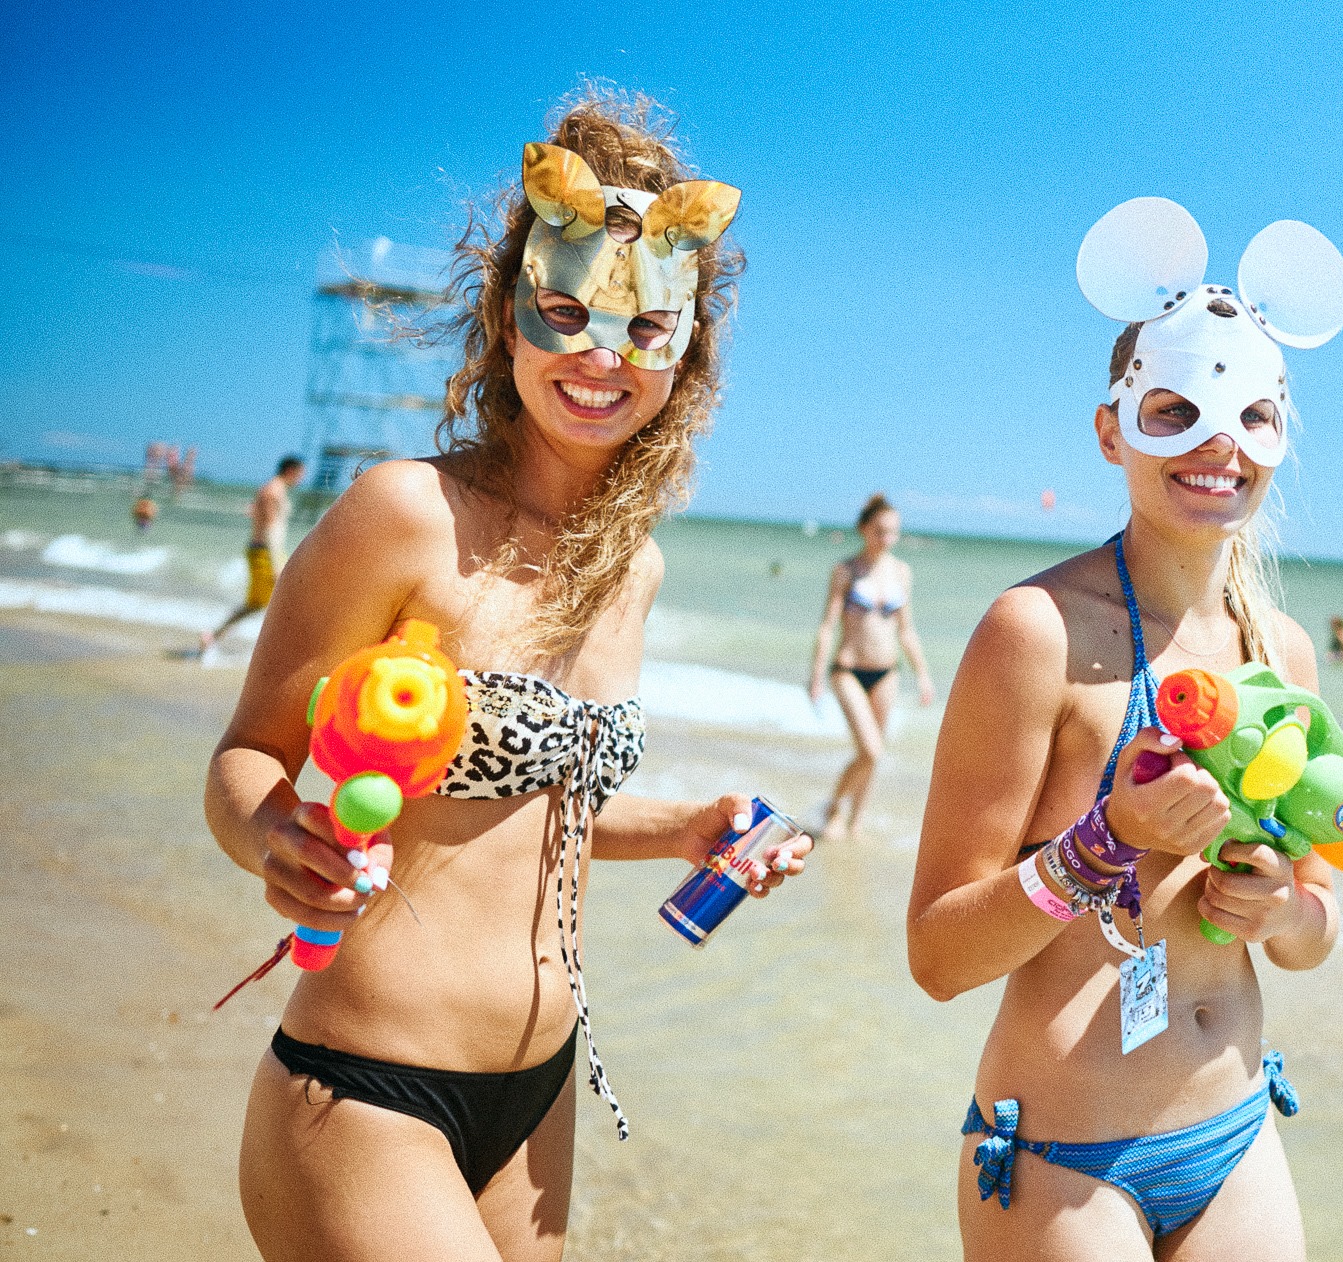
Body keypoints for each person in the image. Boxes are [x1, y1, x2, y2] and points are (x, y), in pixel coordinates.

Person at [204, 91, 808, 1261]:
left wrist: (689, 824)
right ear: (508, 315)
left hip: (538, 1098)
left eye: (642, 326)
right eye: (567, 310)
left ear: (686, 349)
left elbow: (537, 809)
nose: (599, 354)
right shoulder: (405, 514)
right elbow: (248, 755)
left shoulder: (632, 567)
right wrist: (271, 835)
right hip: (365, 1090)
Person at [908, 198, 1343, 1260]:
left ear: (1279, 434)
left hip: (1236, 1131)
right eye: (1175, 413)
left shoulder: (1279, 650)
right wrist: (1101, 841)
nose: (1218, 446)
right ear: (1111, 428)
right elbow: (934, 952)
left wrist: (1279, 906)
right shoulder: (1036, 632)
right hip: (1066, 1156)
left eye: (1252, 418)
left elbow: (1318, 927)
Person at [808, 493, 935, 842]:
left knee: (872, 756)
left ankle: (855, 822)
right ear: (864, 529)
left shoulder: (902, 572)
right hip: (848, 670)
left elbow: (906, 630)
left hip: (887, 672)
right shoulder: (846, 571)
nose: (887, 539)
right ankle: (833, 807)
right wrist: (816, 675)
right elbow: (827, 625)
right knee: (870, 749)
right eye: (880, 531)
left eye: (893, 532)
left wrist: (923, 675)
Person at [199, 456, 304, 652]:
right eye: (300, 473)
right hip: (265, 553)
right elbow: (271, 528)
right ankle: (214, 636)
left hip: (268, 551)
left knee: (266, 603)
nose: (301, 478)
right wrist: (276, 565)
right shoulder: (273, 491)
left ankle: (214, 636)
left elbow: (258, 516)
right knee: (263, 603)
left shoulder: (271, 489)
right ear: (291, 471)